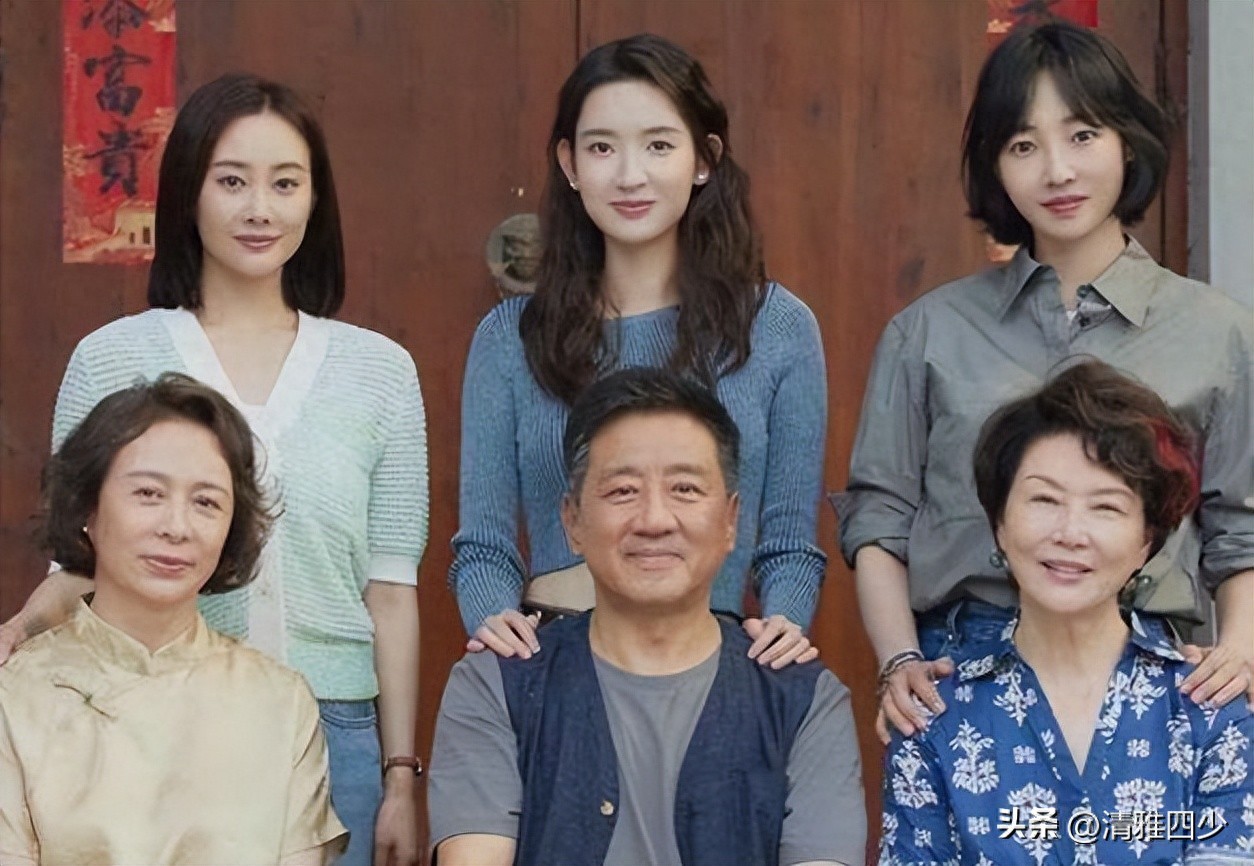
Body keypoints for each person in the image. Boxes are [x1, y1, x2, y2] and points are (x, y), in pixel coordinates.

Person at [0, 74, 425, 866]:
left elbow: (392, 592)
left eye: (285, 184)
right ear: (188, 194)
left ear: (315, 200)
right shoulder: (110, 358)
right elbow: (75, 567)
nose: (260, 208)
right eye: (232, 182)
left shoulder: (381, 372)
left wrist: (400, 776)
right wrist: (20, 634)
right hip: (145, 720)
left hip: (336, 725)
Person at [840, 19, 1254, 744]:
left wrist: (1241, 651)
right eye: (1023, 145)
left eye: (1083, 135)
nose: (1057, 171)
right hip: (960, 667)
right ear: (995, 166)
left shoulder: (1216, 332)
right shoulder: (928, 331)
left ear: (1128, 142)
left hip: (1153, 669)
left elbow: (1240, 527)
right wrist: (898, 658)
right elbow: (880, 516)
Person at [451, 33, 827, 666]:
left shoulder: (776, 327)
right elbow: (483, 546)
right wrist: (499, 631)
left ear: (704, 158)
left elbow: (789, 545)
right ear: (570, 164)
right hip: (552, 655)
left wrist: (781, 631)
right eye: (602, 147)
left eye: (659, 145)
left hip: (713, 661)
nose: (630, 175)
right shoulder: (510, 336)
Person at [431, 368, 864, 866]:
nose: (654, 520)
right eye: (623, 491)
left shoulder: (803, 700)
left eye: (685, 489)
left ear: (730, 521)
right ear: (573, 521)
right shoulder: (495, 685)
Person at [878, 360, 1254, 865]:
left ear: (1147, 539)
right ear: (999, 523)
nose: (1070, 533)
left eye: (1106, 507)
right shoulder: (933, 718)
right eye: (1044, 499)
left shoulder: (1208, 708)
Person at [0, 374, 347, 865]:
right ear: (87, 508)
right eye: (148, 493)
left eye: (206, 502)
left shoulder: (280, 700)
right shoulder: (15, 697)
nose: (177, 527)